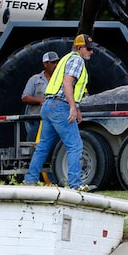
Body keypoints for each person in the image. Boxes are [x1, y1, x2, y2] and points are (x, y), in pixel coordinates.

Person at [23, 34, 96, 190]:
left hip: (49, 105)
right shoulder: (77, 59)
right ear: (79, 48)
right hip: (60, 107)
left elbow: (64, 85)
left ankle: (30, 181)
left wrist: (76, 107)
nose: (91, 51)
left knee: (43, 146)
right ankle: (76, 185)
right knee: (75, 146)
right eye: (88, 48)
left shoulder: (66, 58)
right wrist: (72, 107)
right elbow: (67, 82)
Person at [20, 51, 60, 141]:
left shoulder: (60, 80)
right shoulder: (35, 79)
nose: (56, 65)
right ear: (45, 64)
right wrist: (41, 100)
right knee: (33, 144)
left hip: (55, 119)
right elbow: (25, 97)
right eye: (53, 62)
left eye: (57, 62)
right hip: (37, 119)